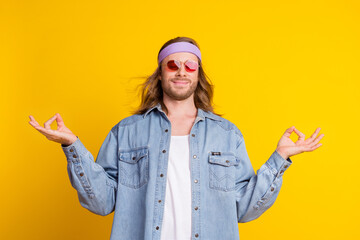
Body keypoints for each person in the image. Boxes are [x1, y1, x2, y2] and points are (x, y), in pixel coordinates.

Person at [29, 37, 324, 240]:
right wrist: (72, 146)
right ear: (160, 73)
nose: (181, 71)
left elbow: (243, 209)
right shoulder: (127, 131)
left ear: (198, 73)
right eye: (172, 64)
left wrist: (280, 158)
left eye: (190, 65)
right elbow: (102, 202)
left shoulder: (227, 134)